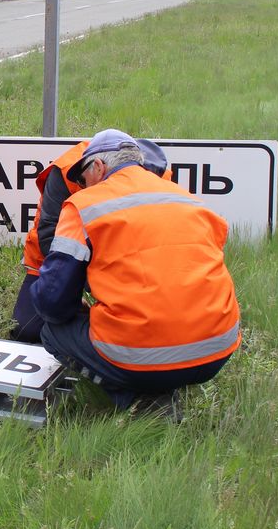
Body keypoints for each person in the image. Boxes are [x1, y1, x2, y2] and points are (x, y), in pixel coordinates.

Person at [32, 128, 239, 411]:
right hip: (216, 350)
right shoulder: (189, 199)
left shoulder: (84, 205)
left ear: (99, 166)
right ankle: (162, 386)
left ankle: (141, 399)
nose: (82, 185)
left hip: (141, 355)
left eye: (82, 178)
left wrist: (81, 307)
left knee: (52, 331)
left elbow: (51, 301)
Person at [11, 136, 169, 342]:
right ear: (97, 167)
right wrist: (81, 284)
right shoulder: (68, 172)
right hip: (57, 258)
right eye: (84, 181)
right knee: (28, 330)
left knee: (150, 327)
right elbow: (48, 234)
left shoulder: (160, 178)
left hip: (132, 268)